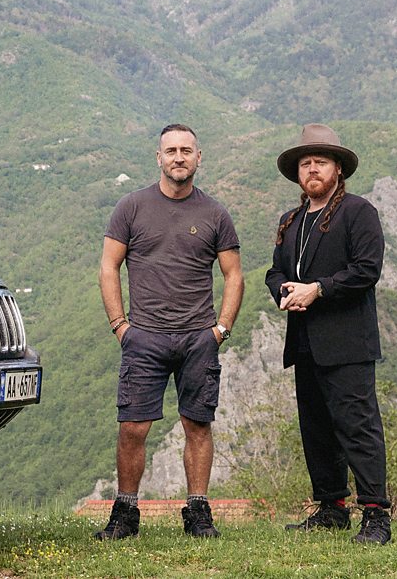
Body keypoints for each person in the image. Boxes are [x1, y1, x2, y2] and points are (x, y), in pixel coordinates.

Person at [95, 123, 244, 540]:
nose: (179, 157)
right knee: (133, 427)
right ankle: (125, 513)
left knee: (197, 425)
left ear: (199, 158)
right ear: (158, 157)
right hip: (144, 336)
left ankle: (198, 512)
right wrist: (121, 326)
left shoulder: (215, 213)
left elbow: (234, 275)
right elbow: (108, 266)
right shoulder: (131, 207)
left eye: (186, 150)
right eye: (172, 150)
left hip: (199, 337)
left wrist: (221, 329)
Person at [265, 123, 392, 545]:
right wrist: (285, 291)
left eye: (321, 161)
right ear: (297, 173)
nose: (312, 169)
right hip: (305, 344)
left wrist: (318, 289)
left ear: (338, 169)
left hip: (348, 344)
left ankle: (375, 515)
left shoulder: (359, 212)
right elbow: (275, 271)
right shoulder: (291, 221)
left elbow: (367, 270)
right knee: (316, 430)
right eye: (305, 163)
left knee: (358, 428)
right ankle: (332, 507)